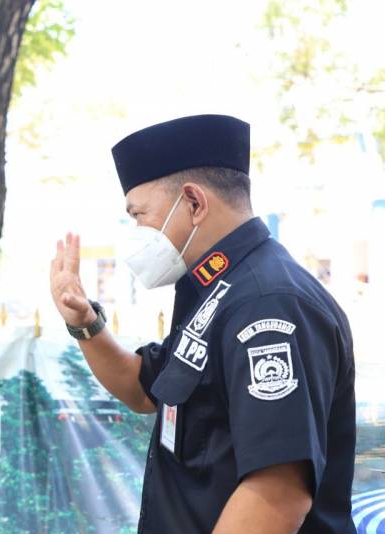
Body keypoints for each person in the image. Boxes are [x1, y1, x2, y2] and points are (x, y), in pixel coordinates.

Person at [50, 115, 355, 533]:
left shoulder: (267, 303)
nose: (137, 232)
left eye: (140, 215)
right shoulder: (215, 290)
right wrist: (85, 324)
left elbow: (278, 494)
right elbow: (143, 389)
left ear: (193, 203)